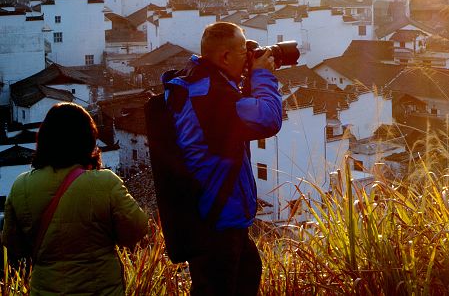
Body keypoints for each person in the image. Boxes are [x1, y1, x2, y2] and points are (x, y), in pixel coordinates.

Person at [161, 21, 283, 296]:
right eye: (243, 50)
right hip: (215, 218)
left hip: (216, 214)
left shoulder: (198, 83)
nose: (248, 57)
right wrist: (263, 76)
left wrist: (247, 79)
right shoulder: (211, 94)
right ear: (224, 57)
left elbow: (231, 124)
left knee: (248, 271)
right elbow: (269, 119)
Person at [2, 102, 149, 295]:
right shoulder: (105, 183)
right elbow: (136, 230)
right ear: (87, 139)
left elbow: (14, 245)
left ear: (44, 139)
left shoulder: (21, 186)